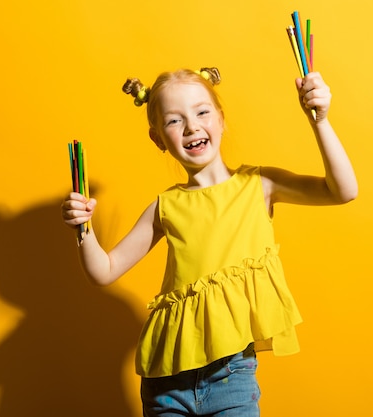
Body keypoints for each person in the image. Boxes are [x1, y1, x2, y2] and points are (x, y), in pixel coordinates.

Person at [61, 67, 357, 416]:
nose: (191, 127)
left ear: (220, 118)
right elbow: (104, 271)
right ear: (158, 139)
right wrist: (84, 229)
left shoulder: (259, 185)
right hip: (166, 380)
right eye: (174, 121)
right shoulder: (166, 206)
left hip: (230, 376)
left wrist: (319, 121)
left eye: (202, 112)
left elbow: (342, 191)